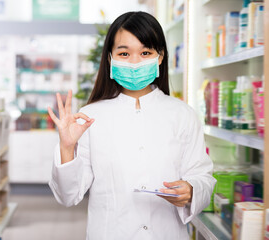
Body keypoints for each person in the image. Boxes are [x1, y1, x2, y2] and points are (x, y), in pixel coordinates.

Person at [47, 11, 216, 240]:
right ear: (110, 58)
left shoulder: (183, 115)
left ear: (160, 57)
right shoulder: (89, 118)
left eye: (145, 52)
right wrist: (67, 148)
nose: (135, 63)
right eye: (124, 53)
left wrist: (192, 191)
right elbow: (68, 196)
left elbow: (202, 175)